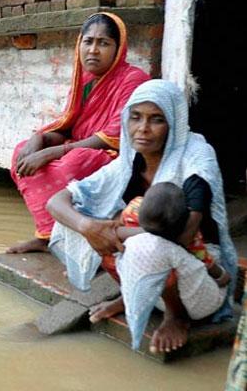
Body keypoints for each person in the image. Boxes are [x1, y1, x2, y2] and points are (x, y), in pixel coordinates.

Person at [46, 79, 238, 354]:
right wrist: (88, 225)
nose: (143, 129)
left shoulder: (196, 155)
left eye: (156, 119)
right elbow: (57, 202)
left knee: (146, 245)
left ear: (173, 122)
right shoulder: (129, 161)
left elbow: (182, 236)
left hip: (198, 284)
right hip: (150, 266)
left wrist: (114, 232)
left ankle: (176, 317)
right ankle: (130, 295)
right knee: (77, 220)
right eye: (135, 117)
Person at [6, 13, 150, 254]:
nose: (93, 50)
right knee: (22, 151)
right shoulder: (84, 81)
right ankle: (46, 235)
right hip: (79, 146)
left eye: (103, 43)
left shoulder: (132, 80)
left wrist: (53, 152)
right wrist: (38, 140)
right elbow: (69, 128)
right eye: (88, 41)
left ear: (118, 48)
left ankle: (65, 236)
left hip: (117, 156)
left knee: (70, 164)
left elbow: (113, 136)